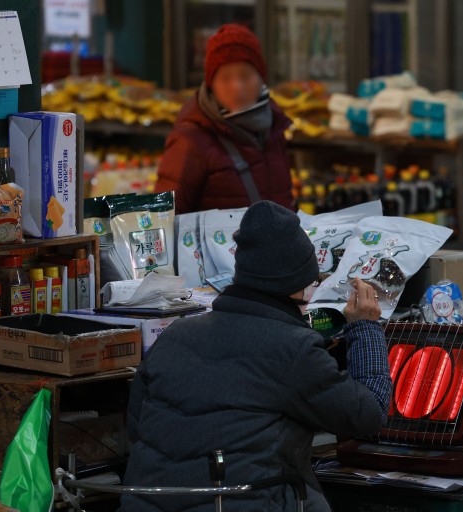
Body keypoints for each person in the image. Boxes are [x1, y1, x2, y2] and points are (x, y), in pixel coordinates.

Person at [120, 201, 392, 512]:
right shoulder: (292, 347)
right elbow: (369, 414)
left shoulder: (174, 335)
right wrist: (365, 327)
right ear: (295, 286)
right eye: (312, 282)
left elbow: (138, 428)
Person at [155, 24, 294, 214]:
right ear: (211, 85)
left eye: (246, 75)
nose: (237, 86)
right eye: (225, 78)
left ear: (261, 78)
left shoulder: (274, 128)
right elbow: (164, 215)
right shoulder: (190, 140)